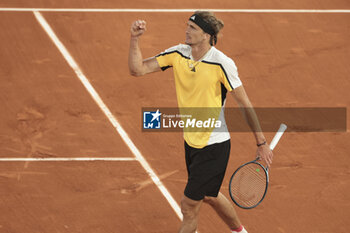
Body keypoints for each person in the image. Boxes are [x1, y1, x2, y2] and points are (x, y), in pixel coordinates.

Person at [128, 11, 273, 233]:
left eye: (193, 28)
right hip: (191, 141)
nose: (187, 30)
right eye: (187, 26)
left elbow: (245, 104)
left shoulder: (222, 64)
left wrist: (261, 143)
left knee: (188, 205)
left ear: (206, 35)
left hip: (214, 145)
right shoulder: (178, 53)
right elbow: (137, 69)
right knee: (209, 196)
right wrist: (135, 39)